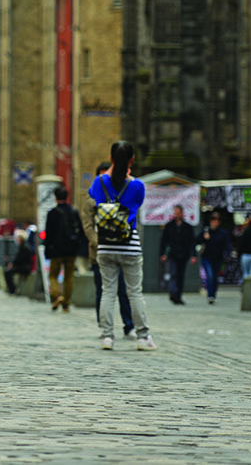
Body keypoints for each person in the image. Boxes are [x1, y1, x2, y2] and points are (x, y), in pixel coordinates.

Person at [87, 140, 156, 351]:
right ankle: (143, 337)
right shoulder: (137, 185)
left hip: (106, 245)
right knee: (134, 292)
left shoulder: (99, 182)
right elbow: (137, 204)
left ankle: (107, 336)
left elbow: (93, 200)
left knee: (108, 291)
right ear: (132, 160)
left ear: (111, 159)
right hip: (129, 245)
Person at [81, 162, 135, 337]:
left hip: (120, 250)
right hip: (99, 253)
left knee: (123, 292)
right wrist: (100, 243)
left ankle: (129, 325)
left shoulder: (118, 196)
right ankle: (104, 326)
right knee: (102, 292)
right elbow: (88, 227)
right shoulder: (90, 200)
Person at [44, 186, 82, 312]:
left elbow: (48, 234)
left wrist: (47, 249)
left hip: (56, 250)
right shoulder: (73, 211)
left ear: (56, 198)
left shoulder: (52, 213)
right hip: (71, 250)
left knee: (53, 275)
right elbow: (80, 230)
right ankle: (66, 304)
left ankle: (57, 295)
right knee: (69, 277)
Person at [160, 205, 197, 305]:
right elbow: (164, 241)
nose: (176, 214)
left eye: (178, 212)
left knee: (180, 276)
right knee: (173, 273)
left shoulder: (187, 227)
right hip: (173, 254)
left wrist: (194, 255)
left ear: (182, 213)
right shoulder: (169, 226)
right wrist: (163, 253)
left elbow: (192, 242)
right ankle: (173, 292)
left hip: (184, 255)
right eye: (175, 213)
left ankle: (178, 295)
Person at [197, 214, 233, 304]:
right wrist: (204, 239)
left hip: (218, 258)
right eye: (214, 220)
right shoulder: (206, 231)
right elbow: (197, 241)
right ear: (211, 221)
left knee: (215, 277)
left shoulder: (222, 233)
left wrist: (228, 255)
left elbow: (227, 244)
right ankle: (211, 295)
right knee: (210, 275)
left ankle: (213, 293)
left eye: (217, 220)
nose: (215, 222)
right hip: (207, 257)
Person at [3, 226, 35, 295]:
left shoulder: (24, 247)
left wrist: (13, 264)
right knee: (8, 271)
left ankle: (13, 289)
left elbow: (20, 259)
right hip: (23, 265)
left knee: (7, 272)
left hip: (25, 267)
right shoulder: (24, 246)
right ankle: (12, 288)